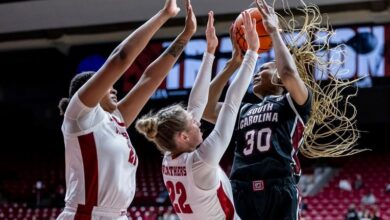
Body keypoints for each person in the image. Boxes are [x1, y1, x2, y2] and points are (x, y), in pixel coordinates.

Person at [202, 0, 362, 219]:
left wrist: (275, 31)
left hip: (278, 187)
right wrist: (234, 63)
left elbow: (288, 72)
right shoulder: (243, 110)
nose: (256, 74)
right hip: (241, 189)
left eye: (264, 68)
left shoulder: (295, 102)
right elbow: (206, 108)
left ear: (278, 77)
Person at [56, 0, 196, 219]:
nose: (113, 87)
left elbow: (151, 78)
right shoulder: (80, 116)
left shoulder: (115, 120)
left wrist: (185, 36)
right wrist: (164, 15)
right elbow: (120, 59)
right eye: (105, 84)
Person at [136, 10, 259, 220]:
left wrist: (210, 52)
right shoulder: (201, 161)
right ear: (183, 136)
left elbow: (196, 103)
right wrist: (252, 53)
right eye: (193, 122)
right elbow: (231, 104)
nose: (198, 121)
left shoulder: (171, 157)